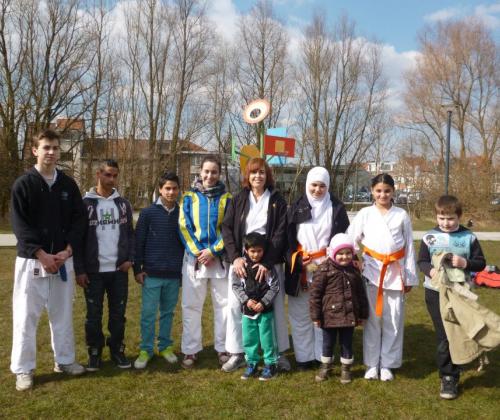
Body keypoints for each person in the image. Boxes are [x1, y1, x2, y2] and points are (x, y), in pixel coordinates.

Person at [10, 129, 86, 391]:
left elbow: (79, 221)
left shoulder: (68, 184)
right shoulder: (24, 184)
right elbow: (20, 226)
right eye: (46, 147)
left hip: (63, 260)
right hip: (32, 261)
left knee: (62, 315)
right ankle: (24, 369)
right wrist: (41, 254)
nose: (51, 152)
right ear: (35, 150)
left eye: (55, 147)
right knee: (26, 317)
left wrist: (67, 251)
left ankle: (64, 361)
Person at [221, 157, 290, 373]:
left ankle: (277, 354)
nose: (257, 176)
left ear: (267, 175)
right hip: (243, 262)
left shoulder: (277, 200)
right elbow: (227, 228)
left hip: (269, 262)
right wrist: (235, 258)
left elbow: (281, 233)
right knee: (236, 306)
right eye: (253, 173)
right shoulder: (239, 198)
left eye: (261, 172)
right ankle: (238, 353)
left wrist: (267, 262)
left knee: (274, 308)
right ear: (247, 176)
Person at [347, 173, 418, 381]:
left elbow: (410, 246)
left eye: (387, 191)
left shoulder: (401, 215)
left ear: (393, 192)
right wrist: (354, 259)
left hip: (395, 272)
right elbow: (350, 239)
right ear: (372, 192)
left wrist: (410, 276)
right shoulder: (365, 214)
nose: (383, 194)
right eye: (378, 191)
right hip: (371, 271)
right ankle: (371, 363)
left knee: (393, 320)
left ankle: (387, 363)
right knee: (372, 320)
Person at [417, 195, 486, 399]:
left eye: (450, 219)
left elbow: (481, 262)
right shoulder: (429, 237)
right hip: (435, 292)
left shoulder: (468, 237)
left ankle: (463, 358)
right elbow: (421, 261)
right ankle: (448, 377)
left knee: (460, 330)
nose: (446, 223)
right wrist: (430, 271)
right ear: (436, 216)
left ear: (459, 217)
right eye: (441, 218)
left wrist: (465, 263)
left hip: (461, 292)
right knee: (444, 335)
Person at [285, 167, 350, 370]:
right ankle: (304, 357)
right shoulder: (296, 207)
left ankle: (322, 355)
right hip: (301, 267)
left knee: (325, 312)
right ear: (307, 184)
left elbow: (342, 239)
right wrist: (295, 259)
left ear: (328, 186)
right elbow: (285, 241)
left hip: (328, 265)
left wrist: (334, 261)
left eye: (322, 186)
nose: (317, 190)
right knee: (300, 314)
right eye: (314, 185)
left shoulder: (337, 207)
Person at [75, 159, 134, 371]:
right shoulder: (85, 204)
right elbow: (78, 240)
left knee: (118, 315)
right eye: (108, 175)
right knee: (93, 315)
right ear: (98, 174)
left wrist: (130, 259)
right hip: (93, 272)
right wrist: (79, 270)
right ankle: (94, 352)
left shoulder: (123, 204)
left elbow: (130, 235)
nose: (111, 179)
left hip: (119, 271)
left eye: (115, 175)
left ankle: (117, 349)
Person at [179, 156, 232, 368]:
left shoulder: (228, 198)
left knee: (224, 306)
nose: (210, 176)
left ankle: (223, 348)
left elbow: (228, 228)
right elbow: (184, 227)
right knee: (191, 306)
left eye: (214, 172)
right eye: (206, 172)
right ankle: (190, 351)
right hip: (194, 261)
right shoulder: (188, 197)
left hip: (218, 260)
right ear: (200, 173)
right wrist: (199, 252)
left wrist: (213, 251)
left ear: (220, 174)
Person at [133, 172, 184, 369]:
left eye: (174, 188)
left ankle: (165, 346)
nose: (171, 192)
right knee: (148, 313)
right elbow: (139, 242)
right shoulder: (148, 213)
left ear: (179, 190)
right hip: (151, 274)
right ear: (160, 190)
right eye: (167, 188)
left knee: (168, 313)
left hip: (173, 274)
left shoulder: (182, 213)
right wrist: (138, 268)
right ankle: (146, 349)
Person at [309, 233, 369, 383]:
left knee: (346, 343)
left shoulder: (354, 270)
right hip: (329, 316)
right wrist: (315, 316)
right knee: (327, 343)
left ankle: (345, 369)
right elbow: (315, 295)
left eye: (348, 253)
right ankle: (326, 366)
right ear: (333, 252)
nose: (344, 257)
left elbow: (361, 293)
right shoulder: (323, 270)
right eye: (340, 253)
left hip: (349, 315)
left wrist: (363, 314)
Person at [232, 232, 280, 381]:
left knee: (267, 340)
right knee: (249, 339)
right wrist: (246, 300)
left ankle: (271, 365)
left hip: (265, 311)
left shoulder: (269, 268)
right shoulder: (241, 267)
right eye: (252, 251)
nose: (256, 254)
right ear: (246, 250)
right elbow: (235, 286)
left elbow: (275, 287)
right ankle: (252, 364)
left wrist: (264, 302)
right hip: (247, 311)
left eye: (259, 251)